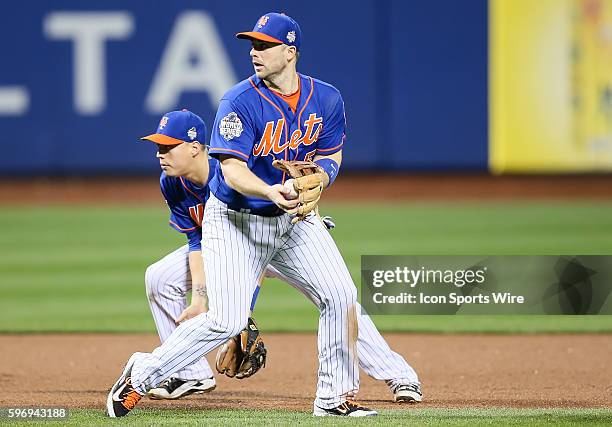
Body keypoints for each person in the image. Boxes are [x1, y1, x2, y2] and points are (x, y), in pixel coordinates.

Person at [107, 13, 421, 418]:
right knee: (225, 320)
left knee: (340, 295)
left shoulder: (326, 99)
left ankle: (334, 398)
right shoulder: (238, 101)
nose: (254, 53)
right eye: (252, 45)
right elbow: (233, 171)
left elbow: (331, 156)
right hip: (236, 220)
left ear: (290, 53)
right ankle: (142, 373)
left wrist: (321, 178)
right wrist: (269, 188)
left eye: (264, 45)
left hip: (294, 221)